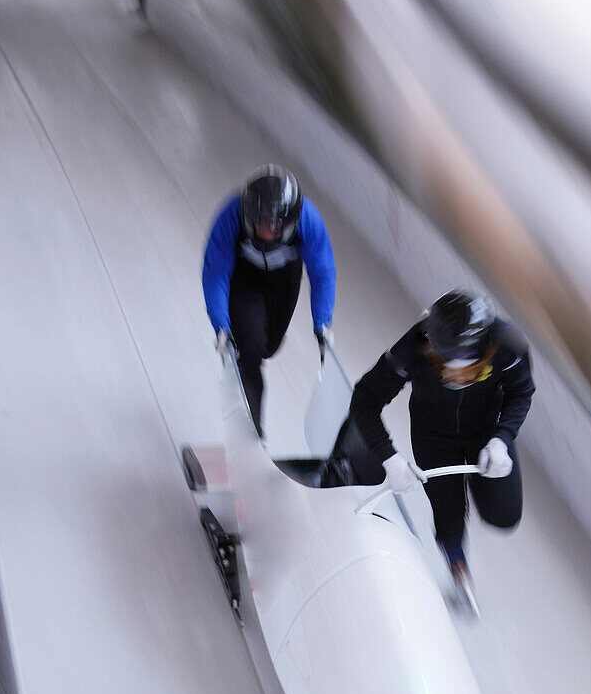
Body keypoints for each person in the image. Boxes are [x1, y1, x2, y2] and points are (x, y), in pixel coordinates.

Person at [349, 288, 535, 599]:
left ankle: (485, 485)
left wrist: (502, 439)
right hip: (432, 433)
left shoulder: (508, 345)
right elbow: (365, 399)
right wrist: (390, 458)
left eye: (452, 360)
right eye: (436, 357)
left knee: (503, 515)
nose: (442, 367)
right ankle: (458, 566)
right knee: (447, 514)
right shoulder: (415, 345)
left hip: (485, 433)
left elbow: (521, 392)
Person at [202, 164, 337, 437]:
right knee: (249, 350)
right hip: (244, 279)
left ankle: (251, 355)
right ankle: (252, 433)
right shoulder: (230, 216)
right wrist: (221, 325)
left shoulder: (308, 221)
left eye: (274, 229)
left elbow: (323, 273)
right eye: (260, 225)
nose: (266, 234)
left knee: (268, 346)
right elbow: (215, 272)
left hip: (283, 281)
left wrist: (322, 323)